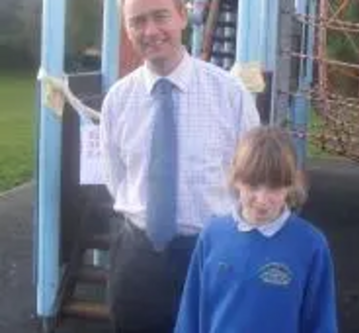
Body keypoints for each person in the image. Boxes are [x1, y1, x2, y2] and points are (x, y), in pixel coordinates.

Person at [99, 0, 260, 331]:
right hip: (137, 260)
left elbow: (254, 180)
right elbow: (116, 179)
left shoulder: (230, 94)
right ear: (127, 29)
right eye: (137, 21)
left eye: (160, 17)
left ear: (183, 17)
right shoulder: (117, 100)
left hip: (213, 256)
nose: (150, 31)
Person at [174, 126, 338, 333]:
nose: (262, 200)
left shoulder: (311, 245)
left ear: (291, 184)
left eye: (275, 187)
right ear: (236, 179)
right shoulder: (212, 236)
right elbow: (190, 315)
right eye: (253, 186)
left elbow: (321, 322)